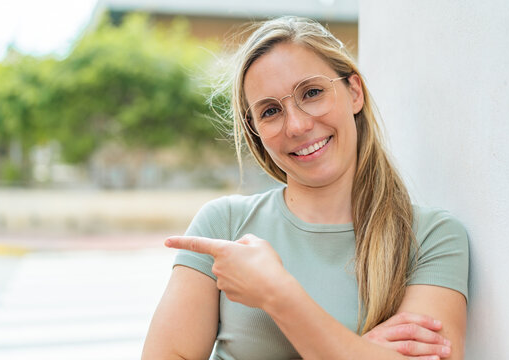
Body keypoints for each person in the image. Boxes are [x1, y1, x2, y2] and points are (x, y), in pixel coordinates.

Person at [142, 16, 468, 360]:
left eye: (311, 93)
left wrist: (277, 294)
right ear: (256, 132)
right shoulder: (223, 226)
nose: (297, 125)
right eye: (270, 111)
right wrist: (361, 351)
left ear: (354, 92)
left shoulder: (433, 238)